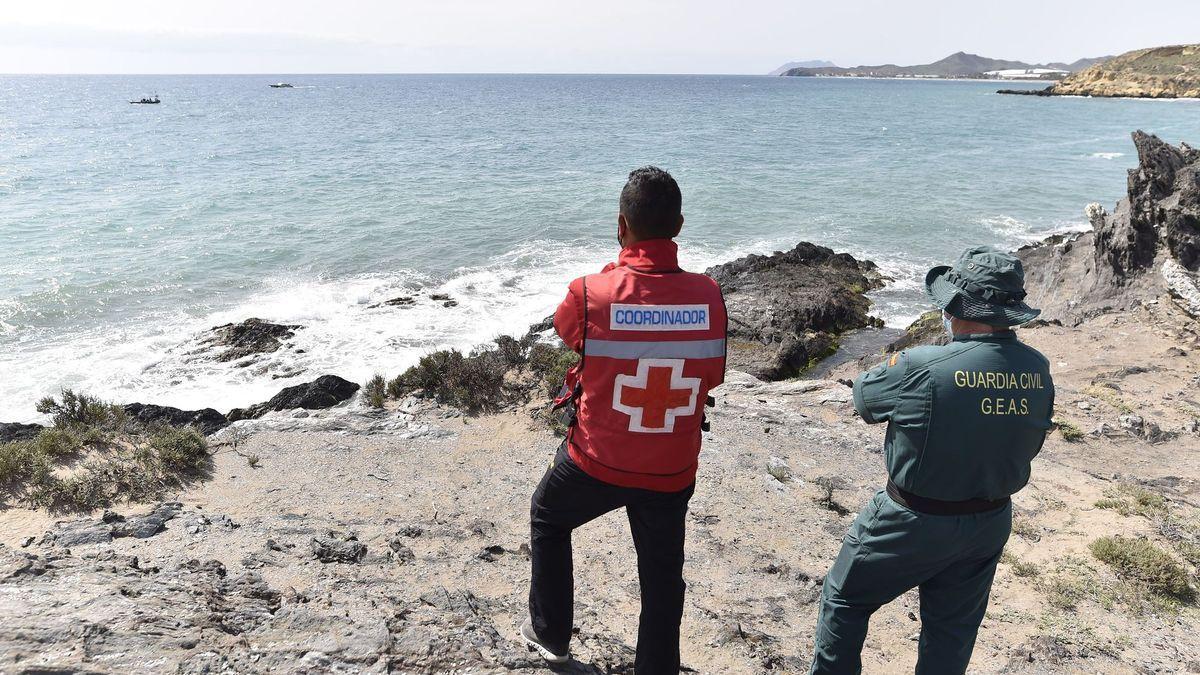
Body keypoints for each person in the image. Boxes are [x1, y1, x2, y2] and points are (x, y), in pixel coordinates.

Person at [810, 245, 1055, 675]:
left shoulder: (921, 365)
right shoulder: (1037, 368)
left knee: (844, 599)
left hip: (910, 519)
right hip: (989, 520)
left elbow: (865, 400)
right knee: (951, 632)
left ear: (955, 306)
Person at [521, 166, 728, 673]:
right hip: (670, 468)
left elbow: (569, 333)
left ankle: (549, 634)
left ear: (621, 226)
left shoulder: (589, 293)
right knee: (662, 576)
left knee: (548, 516)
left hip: (597, 460)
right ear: (678, 226)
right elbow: (713, 377)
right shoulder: (710, 297)